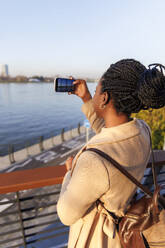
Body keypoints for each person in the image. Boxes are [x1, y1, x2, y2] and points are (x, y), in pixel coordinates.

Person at [57, 59, 165, 248]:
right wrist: (86, 98)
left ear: (105, 98)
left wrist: (70, 173)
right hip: (124, 229)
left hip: (99, 239)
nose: (95, 93)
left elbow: (66, 215)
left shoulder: (93, 161)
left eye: (97, 90)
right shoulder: (142, 131)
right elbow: (112, 137)